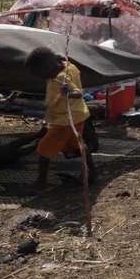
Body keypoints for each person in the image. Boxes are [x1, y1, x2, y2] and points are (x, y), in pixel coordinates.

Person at [25, 47, 97, 191]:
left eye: (40, 74)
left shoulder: (61, 78)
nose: (42, 78)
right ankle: (92, 172)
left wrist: (68, 93)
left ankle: (41, 181)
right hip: (78, 115)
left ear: (46, 67)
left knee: (43, 148)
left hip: (66, 120)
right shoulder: (69, 67)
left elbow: (78, 93)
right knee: (78, 145)